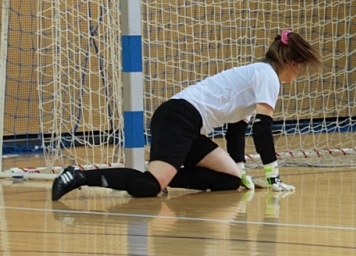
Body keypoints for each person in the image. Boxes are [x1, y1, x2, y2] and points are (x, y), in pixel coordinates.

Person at [52, 29, 322, 200]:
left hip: (188, 125)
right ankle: (78, 176)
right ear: (293, 62)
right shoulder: (267, 75)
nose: (298, 74)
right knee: (149, 187)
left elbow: (237, 130)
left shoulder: (258, 76)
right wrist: (273, 176)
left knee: (230, 180)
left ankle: (165, 175)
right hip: (178, 118)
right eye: (300, 68)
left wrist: (242, 171)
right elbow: (262, 130)